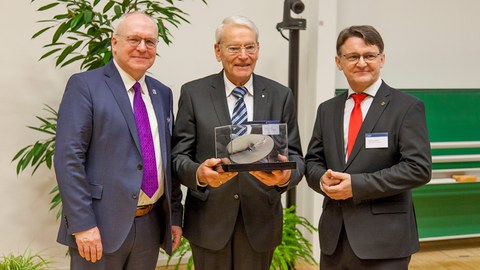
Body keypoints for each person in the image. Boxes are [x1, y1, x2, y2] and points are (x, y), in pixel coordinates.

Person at [172, 15, 305, 270]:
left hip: (260, 220)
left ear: (258, 49)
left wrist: (284, 178)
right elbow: (178, 156)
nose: (243, 55)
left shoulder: (280, 95)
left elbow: (297, 157)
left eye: (250, 47)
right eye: (233, 48)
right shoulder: (194, 94)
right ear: (217, 51)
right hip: (210, 220)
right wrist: (198, 174)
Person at [54, 11, 183, 270]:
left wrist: (174, 216)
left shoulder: (163, 93)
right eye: (134, 39)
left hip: (150, 224)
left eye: (150, 42)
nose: (142, 48)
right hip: (99, 227)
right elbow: (69, 159)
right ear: (114, 43)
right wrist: (82, 224)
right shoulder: (85, 86)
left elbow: (167, 158)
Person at [305, 25, 432, 269]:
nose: (361, 62)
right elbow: (312, 161)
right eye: (352, 56)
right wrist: (322, 180)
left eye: (369, 55)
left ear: (382, 59)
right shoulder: (327, 110)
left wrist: (356, 185)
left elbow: (418, 168)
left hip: (385, 241)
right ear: (338, 62)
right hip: (334, 241)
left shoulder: (406, 107)